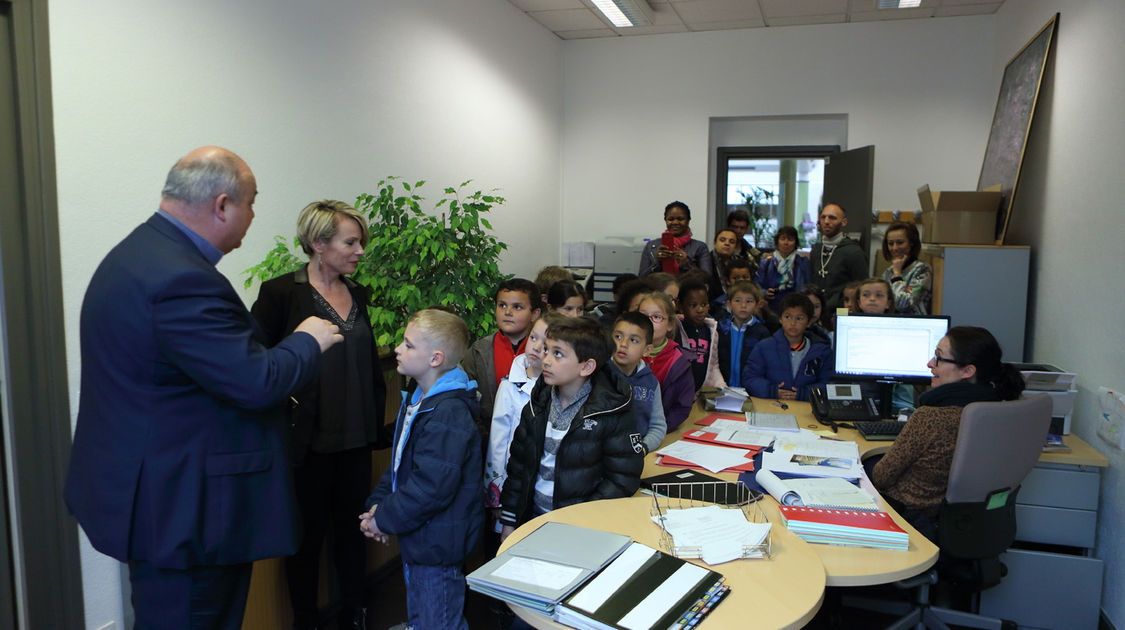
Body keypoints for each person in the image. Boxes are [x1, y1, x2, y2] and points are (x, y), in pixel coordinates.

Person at [64, 146, 343, 630]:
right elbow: (256, 381)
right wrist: (306, 339)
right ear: (221, 205)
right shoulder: (180, 280)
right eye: (251, 203)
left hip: (158, 494)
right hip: (185, 515)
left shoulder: (137, 255)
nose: (254, 215)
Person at [250, 200, 387, 630]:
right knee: (304, 543)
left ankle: (355, 613)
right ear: (318, 244)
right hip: (305, 444)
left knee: (353, 535)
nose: (360, 250)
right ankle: (306, 622)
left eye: (360, 241)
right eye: (351, 241)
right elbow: (258, 364)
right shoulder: (280, 294)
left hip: (356, 437)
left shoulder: (359, 293)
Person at [360, 309, 483, 630]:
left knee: (438, 620)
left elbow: (431, 487)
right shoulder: (420, 398)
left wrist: (383, 520)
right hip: (423, 538)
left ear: (435, 358)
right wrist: (378, 506)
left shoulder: (447, 413)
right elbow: (401, 465)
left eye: (409, 344)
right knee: (425, 615)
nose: (398, 349)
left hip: (438, 545)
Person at [871, 327, 1025, 541]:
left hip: (910, 519)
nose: (930, 364)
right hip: (958, 522)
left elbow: (882, 477)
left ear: (967, 371)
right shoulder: (996, 410)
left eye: (939, 358)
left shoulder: (931, 417)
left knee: (868, 468)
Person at [498, 317, 644, 537]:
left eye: (558, 354)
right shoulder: (538, 403)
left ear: (586, 366)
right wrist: (509, 520)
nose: (545, 359)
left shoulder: (612, 411)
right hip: (532, 522)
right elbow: (519, 466)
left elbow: (622, 479)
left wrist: (580, 519)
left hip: (581, 528)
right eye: (547, 350)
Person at [484, 313, 564, 517]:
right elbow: (497, 443)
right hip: (512, 485)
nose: (536, 347)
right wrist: (495, 496)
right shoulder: (510, 385)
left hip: (546, 490)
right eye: (533, 337)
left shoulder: (561, 390)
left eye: (547, 345)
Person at [462, 278, 541, 436]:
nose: (507, 312)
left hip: (533, 434)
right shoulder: (479, 351)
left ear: (534, 314)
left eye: (517, 307)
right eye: (502, 305)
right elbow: (467, 400)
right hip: (487, 436)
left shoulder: (543, 352)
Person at [743, 293, 833, 402]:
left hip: (806, 408)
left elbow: (828, 384)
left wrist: (804, 394)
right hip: (770, 406)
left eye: (799, 318)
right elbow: (750, 378)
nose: (793, 323)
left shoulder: (821, 351)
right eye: (788, 317)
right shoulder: (764, 347)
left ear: (809, 322)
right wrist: (772, 391)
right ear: (780, 319)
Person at [608, 312, 668, 455]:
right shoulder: (598, 375)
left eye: (634, 340)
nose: (623, 344)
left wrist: (642, 448)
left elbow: (658, 426)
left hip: (636, 453)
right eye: (618, 337)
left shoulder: (651, 383)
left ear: (647, 350)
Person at [637, 291, 695, 431]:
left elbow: (681, 407)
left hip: (663, 430)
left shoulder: (680, 361)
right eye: (643, 316)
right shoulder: (624, 353)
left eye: (656, 317)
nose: (648, 322)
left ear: (670, 324)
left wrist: (658, 430)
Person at [809, 203, 868, 312]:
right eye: (823, 217)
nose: (826, 221)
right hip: (817, 311)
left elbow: (861, 288)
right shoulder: (816, 250)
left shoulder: (854, 252)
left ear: (843, 222)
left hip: (842, 311)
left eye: (832, 218)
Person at [715, 281, 771, 388]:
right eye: (738, 301)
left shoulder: (762, 332)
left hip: (750, 389)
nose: (743, 305)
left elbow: (765, 364)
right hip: (722, 387)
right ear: (729, 305)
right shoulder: (721, 329)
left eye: (749, 301)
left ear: (757, 305)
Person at [638, 201, 713, 277]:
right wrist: (658, 262)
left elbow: (707, 279)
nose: (675, 222)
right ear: (665, 220)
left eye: (680, 219)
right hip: (658, 288)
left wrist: (686, 264)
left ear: (688, 220)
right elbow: (642, 278)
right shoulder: (651, 246)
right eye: (670, 219)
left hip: (687, 288)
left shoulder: (700, 247)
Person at [676, 278, 726, 390]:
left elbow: (714, 367)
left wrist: (722, 388)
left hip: (701, 394)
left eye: (704, 304)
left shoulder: (711, 331)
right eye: (693, 305)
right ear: (680, 305)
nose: (700, 310)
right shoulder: (675, 329)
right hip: (680, 393)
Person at [755, 226, 810, 314]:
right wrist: (764, 293)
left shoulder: (803, 263)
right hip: (770, 310)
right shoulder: (766, 263)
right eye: (782, 239)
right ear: (777, 241)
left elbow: (807, 287)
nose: (786, 243)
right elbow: (757, 285)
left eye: (790, 239)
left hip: (796, 308)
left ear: (795, 243)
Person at [881, 221, 932, 315]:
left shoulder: (922, 269)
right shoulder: (888, 272)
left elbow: (903, 304)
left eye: (900, 243)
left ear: (911, 243)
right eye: (891, 243)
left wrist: (897, 276)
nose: (895, 248)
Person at [706, 228, 749, 301]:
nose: (727, 243)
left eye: (731, 242)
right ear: (714, 243)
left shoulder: (740, 262)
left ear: (735, 247)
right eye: (722, 240)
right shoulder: (705, 261)